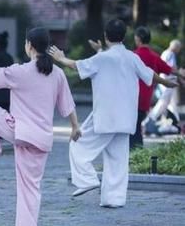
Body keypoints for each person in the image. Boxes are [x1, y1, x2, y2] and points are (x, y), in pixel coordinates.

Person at [48, 19, 178, 208]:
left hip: (105, 116)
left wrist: (60, 58)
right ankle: (114, 199)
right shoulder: (132, 58)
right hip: (126, 118)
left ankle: (87, 180)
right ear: (125, 37)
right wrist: (167, 83)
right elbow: (150, 75)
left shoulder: (102, 58)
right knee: (118, 159)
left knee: (78, 145)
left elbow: (77, 65)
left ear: (106, 36)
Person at [0, 28, 81, 226]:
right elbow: (68, 106)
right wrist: (75, 128)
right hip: (42, 138)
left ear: (29, 45)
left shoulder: (21, 71)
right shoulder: (57, 74)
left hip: (19, 132)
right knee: (31, 186)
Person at [125, 27, 183, 148]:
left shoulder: (133, 56)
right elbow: (169, 69)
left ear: (138, 39)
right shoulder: (154, 56)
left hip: (131, 97)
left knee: (132, 127)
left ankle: (133, 153)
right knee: (136, 125)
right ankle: (137, 153)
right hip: (145, 99)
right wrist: (181, 75)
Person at [148, 39, 183, 132]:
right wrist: (181, 75)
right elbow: (172, 68)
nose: (179, 50)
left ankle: (175, 123)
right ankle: (150, 120)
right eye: (179, 48)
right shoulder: (171, 54)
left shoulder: (164, 53)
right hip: (168, 82)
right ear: (176, 47)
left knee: (170, 104)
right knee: (164, 103)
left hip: (163, 80)